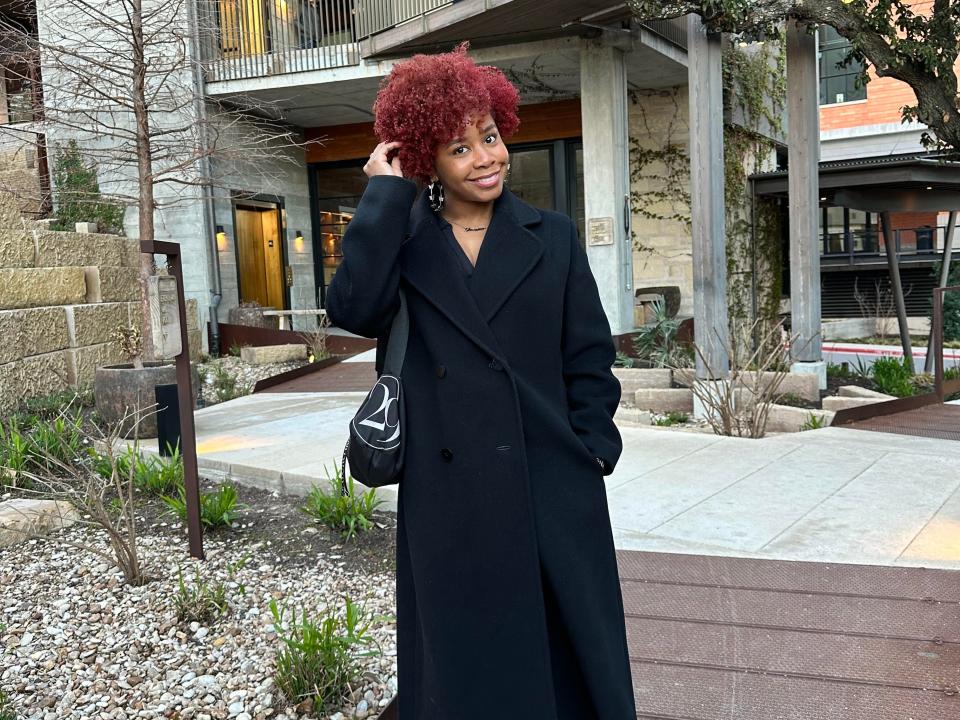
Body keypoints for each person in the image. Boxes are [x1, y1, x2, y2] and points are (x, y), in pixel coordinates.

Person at [326, 44, 636, 720]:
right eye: (460, 148)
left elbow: (588, 356)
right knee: (463, 667)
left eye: (489, 137)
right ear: (426, 162)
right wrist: (383, 195)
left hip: (550, 480)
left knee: (567, 665)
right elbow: (351, 309)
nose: (486, 157)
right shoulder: (402, 242)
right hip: (449, 495)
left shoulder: (549, 236)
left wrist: (592, 447)